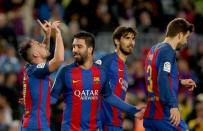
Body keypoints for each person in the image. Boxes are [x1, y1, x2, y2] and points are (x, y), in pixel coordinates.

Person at [51, 31, 144, 131]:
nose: (75, 50)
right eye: (74, 46)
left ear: (90, 49)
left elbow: (109, 96)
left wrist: (132, 110)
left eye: (79, 46)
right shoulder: (65, 72)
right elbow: (52, 99)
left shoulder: (101, 72)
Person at [144, 18, 197, 131]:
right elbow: (162, 78)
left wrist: (180, 82)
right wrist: (173, 106)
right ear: (179, 35)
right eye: (186, 37)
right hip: (163, 113)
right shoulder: (168, 51)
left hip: (151, 113)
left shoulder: (154, 50)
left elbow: (156, 75)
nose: (185, 42)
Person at [18, 20, 64, 131]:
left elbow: (43, 54)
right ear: (35, 54)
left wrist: (47, 36)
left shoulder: (32, 68)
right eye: (39, 44)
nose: (42, 45)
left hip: (32, 125)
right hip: (37, 127)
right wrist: (57, 33)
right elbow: (59, 59)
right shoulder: (36, 70)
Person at [95, 26, 144, 131]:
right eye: (127, 38)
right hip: (103, 124)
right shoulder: (107, 60)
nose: (131, 42)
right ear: (117, 41)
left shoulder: (124, 70)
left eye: (133, 38)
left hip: (116, 124)